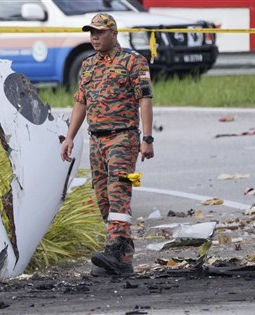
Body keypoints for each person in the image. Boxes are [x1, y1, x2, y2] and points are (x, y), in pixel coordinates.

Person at [60, 13, 154, 277]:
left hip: (123, 137)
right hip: (97, 139)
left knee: (119, 191)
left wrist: (147, 138)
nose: (94, 37)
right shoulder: (88, 65)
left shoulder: (133, 61)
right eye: (91, 32)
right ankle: (122, 258)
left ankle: (114, 248)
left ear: (113, 33)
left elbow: (144, 99)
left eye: (99, 32)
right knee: (102, 197)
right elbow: (81, 101)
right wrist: (70, 137)